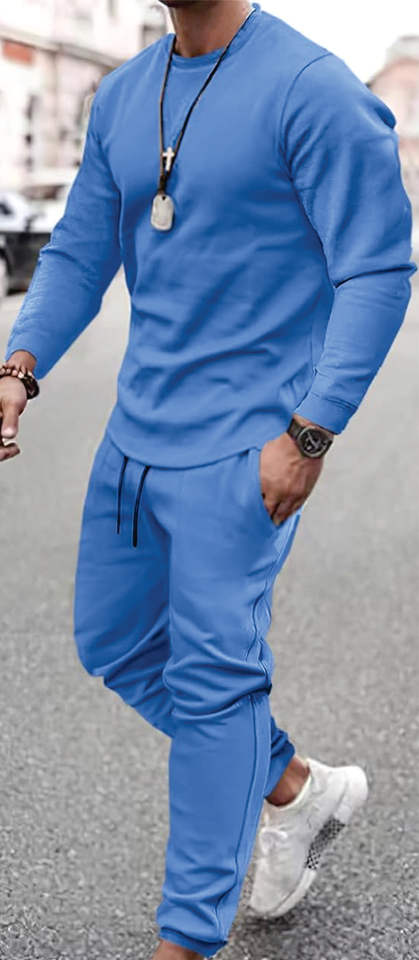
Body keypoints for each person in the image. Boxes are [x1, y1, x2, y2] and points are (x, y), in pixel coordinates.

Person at [0, 1, 416, 957]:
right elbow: (79, 251)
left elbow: (377, 270)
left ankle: (184, 939)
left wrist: (310, 432)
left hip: (246, 452)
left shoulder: (313, 89)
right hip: (133, 441)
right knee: (113, 642)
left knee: (215, 684)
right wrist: (21, 366)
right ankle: (296, 787)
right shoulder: (122, 95)